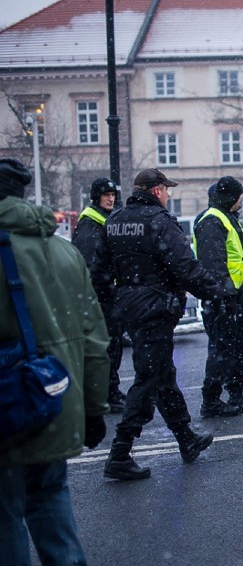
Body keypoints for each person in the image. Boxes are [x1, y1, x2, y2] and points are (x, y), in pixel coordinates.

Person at [0, 158, 110, 564]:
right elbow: (94, 339)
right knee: (49, 498)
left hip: (5, 411)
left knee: (5, 515)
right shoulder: (63, 251)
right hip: (51, 402)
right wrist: (94, 409)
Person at [93, 168, 226, 481]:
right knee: (149, 377)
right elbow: (185, 266)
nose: (168, 194)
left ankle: (185, 438)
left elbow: (98, 270)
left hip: (130, 307)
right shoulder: (159, 221)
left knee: (162, 374)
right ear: (156, 191)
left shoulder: (115, 220)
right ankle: (120, 452)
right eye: (166, 189)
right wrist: (215, 293)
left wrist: (119, 298)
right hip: (155, 307)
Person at [193, 176, 243, 418]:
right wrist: (224, 297)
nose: (241, 201)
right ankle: (210, 401)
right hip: (221, 299)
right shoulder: (212, 221)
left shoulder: (229, 220)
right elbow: (213, 265)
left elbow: (241, 260)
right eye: (239, 197)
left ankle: (236, 394)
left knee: (239, 348)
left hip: (235, 296)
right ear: (232, 198)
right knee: (221, 350)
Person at [72, 177, 126, 413]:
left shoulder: (103, 220)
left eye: (113, 194)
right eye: (106, 195)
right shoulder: (90, 224)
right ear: (96, 197)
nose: (111, 198)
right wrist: (107, 288)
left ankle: (110, 391)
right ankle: (107, 394)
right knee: (107, 348)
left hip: (108, 295)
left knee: (111, 347)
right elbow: (91, 265)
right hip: (101, 297)